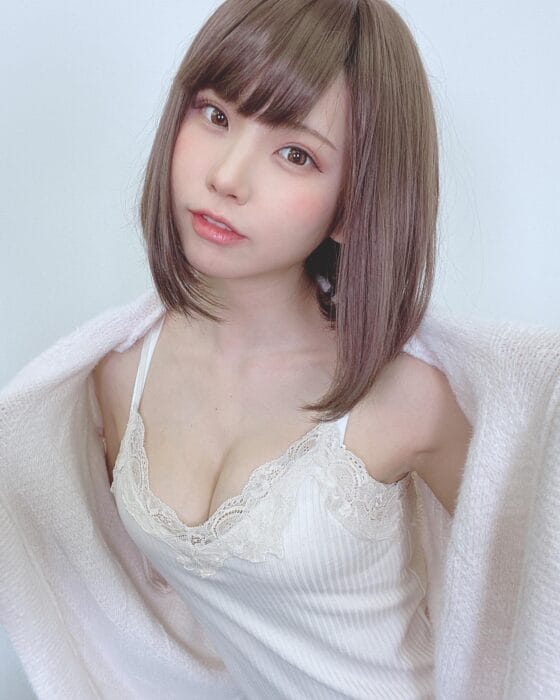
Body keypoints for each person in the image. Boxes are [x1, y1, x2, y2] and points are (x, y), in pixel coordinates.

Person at [1, 1, 559, 698]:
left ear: (352, 204)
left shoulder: (405, 399)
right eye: (216, 115)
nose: (228, 176)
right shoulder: (117, 380)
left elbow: (529, 602)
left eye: (296, 154)